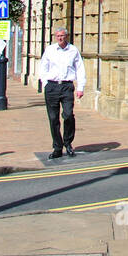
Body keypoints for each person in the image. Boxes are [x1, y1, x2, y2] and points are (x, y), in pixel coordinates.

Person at [37, 27, 85, 158]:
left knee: (68, 115)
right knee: (53, 118)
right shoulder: (50, 50)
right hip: (52, 86)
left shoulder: (73, 50)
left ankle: (68, 143)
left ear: (66, 36)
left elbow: (80, 68)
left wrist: (80, 87)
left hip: (67, 86)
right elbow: (43, 67)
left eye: (62, 36)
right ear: (55, 37)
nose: (60, 38)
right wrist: (45, 83)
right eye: (57, 36)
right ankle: (57, 147)